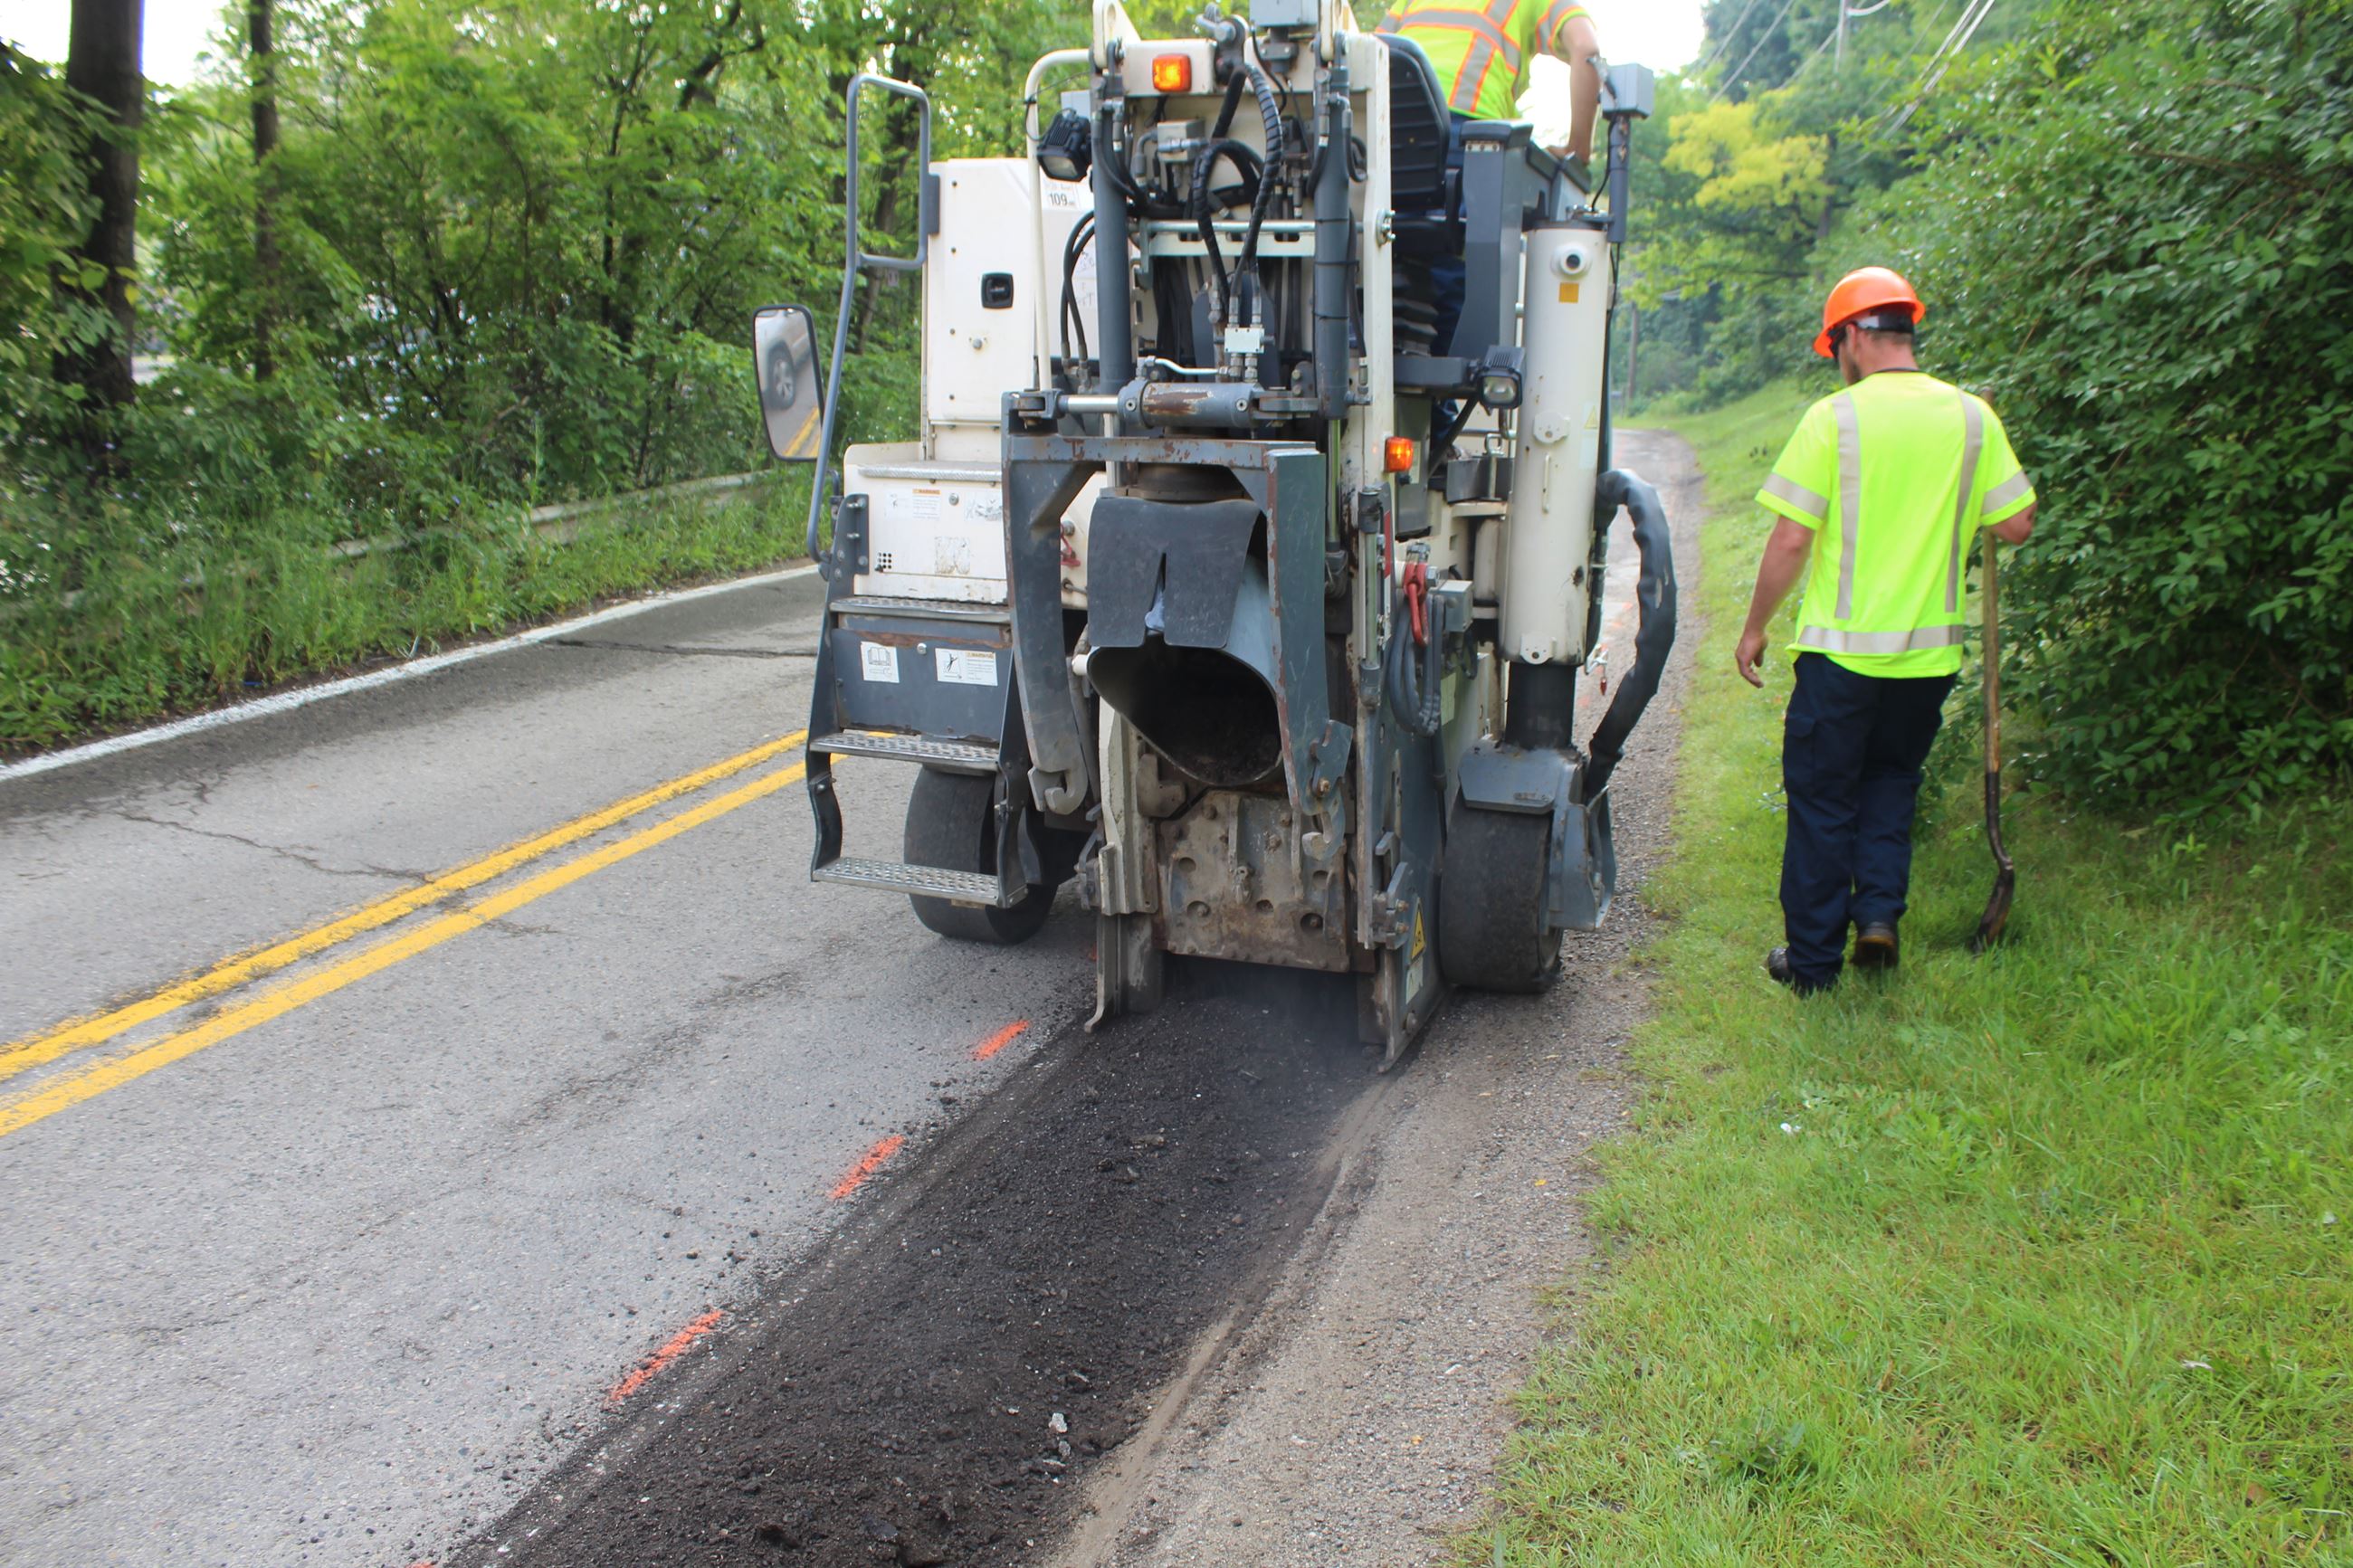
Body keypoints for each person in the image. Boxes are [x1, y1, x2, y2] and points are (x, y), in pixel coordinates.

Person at [1733, 267, 2037, 994]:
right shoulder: (1971, 418)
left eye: (1834, 345)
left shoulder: (1834, 420)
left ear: (1852, 339)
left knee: (1822, 804)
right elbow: (2018, 524)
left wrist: (1754, 630)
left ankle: (1811, 968)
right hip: (1927, 662)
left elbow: (1790, 543)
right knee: (1890, 787)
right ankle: (1877, 918)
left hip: (1841, 660)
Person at [1378, 0, 1601, 358]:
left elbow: (1372, 50)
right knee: (1456, 261)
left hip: (1389, 123)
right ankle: (1438, 402)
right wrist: (1580, 148)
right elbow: (1587, 48)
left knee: (1383, 252)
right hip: (1468, 130)